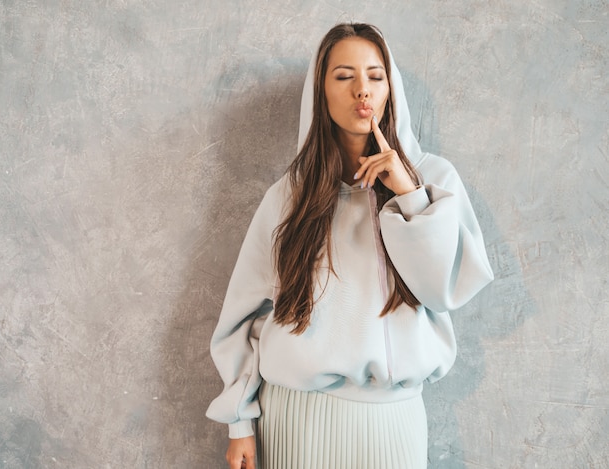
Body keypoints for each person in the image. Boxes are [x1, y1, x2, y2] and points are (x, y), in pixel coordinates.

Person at [206, 22, 494, 469]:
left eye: (375, 76)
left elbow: (444, 289)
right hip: (297, 419)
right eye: (344, 76)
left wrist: (409, 195)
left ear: (391, 88)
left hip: (394, 422)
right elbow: (248, 314)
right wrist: (239, 420)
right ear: (320, 92)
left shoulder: (434, 182)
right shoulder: (290, 195)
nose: (363, 90)